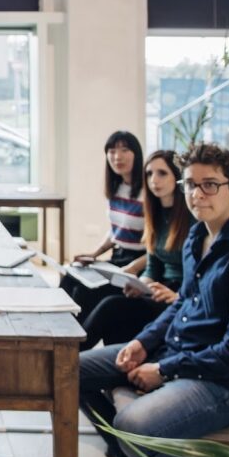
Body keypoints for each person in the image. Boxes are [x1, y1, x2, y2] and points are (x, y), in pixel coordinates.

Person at [78, 143, 229, 457]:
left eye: (210, 184)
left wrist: (164, 370)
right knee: (70, 371)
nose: (197, 194)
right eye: (190, 184)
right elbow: (181, 307)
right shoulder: (198, 235)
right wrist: (142, 343)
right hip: (176, 352)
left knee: (133, 423)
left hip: (223, 382)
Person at [80, 150, 191, 350]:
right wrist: (141, 285)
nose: (154, 180)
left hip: (178, 295)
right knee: (95, 291)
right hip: (158, 287)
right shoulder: (155, 214)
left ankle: (71, 355)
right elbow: (153, 266)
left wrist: (178, 295)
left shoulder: (190, 218)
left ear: (178, 177)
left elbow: (197, 274)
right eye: (149, 174)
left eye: (162, 173)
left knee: (110, 306)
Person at [61, 131, 148, 323]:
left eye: (125, 150)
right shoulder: (117, 188)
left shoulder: (148, 192)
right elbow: (117, 230)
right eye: (112, 151)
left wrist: (134, 267)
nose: (118, 156)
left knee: (85, 290)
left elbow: (158, 248)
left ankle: (75, 342)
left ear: (137, 154)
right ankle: (57, 330)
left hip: (139, 263)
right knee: (71, 275)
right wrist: (94, 254)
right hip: (118, 257)